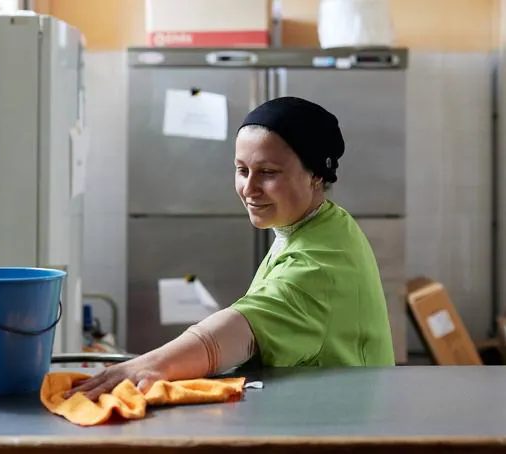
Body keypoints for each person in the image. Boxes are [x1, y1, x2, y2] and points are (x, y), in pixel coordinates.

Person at [65, 96, 395, 401]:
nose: (249, 188)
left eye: (268, 172)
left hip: (340, 428)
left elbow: (243, 327)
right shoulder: (323, 224)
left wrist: (149, 366)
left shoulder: (320, 263)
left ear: (316, 176)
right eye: (241, 170)